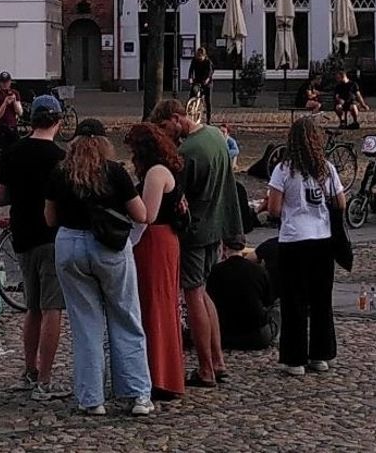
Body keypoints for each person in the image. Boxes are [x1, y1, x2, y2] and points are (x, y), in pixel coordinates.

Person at [46, 118, 154, 416]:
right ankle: (138, 394)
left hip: (69, 244)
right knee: (126, 317)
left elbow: (50, 218)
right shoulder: (115, 172)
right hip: (109, 246)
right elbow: (141, 214)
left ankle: (91, 397)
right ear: (105, 143)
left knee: (85, 324)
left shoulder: (60, 173)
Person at [149, 99, 238, 387]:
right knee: (204, 294)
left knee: (193, 296)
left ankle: (205, 368)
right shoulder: (215, 136)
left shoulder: (187, 153)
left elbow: (175, 197)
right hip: (215, 227)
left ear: (177, 118)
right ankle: (218, 361)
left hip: (195, 232)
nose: (165, 134)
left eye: (165, 127)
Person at [0, 95, 70, 400]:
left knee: (32, 308)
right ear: (58, 122)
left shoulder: (13, 152)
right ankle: (46, 380)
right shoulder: (61, 157)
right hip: (52, 237)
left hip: (21, 235)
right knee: (53, 309)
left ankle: (29, 369)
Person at [266, 116, 347, 377]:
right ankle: (321, 355)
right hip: (322, 240)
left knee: (294, 301)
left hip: (294, 240)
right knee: (321, 300)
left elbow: (275, 208)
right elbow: (341, 202)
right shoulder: (326, 168)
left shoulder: (284, 169)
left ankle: (295, 358)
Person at [124, 122, 188, 399]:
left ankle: (159, 374)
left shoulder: (155, 173)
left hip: (154, 241)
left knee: (154, 306)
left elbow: (147, 215)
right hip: (164, 240)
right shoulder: (167, 170)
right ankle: (162, 372)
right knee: (160, 304)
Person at [209, 239, 276, 351]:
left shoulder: (215, 271)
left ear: (223, 249)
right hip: (256, 337)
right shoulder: (258, 270)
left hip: (223, 336)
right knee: (277, 306)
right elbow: (268, 300)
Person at [0, 72, 23, 164]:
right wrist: (5, 103)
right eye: (3, 82)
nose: (5, 84)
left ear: (10, 82)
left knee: (15, 153)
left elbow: (20, 112)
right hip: (1, 128)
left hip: (12, 127)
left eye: (7, 82)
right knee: (2, 155)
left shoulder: (15, 93)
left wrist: (14, 102)